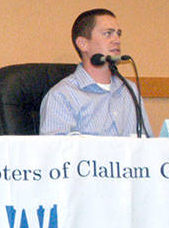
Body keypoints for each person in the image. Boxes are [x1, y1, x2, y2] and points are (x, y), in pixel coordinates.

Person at [39, 8, 148, 136]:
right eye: (108, 33)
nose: (117, 40)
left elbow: (145, 145)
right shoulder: (62, 96)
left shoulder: (129, 91)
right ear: (83, 44)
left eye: (118, 34)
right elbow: (56, 152)